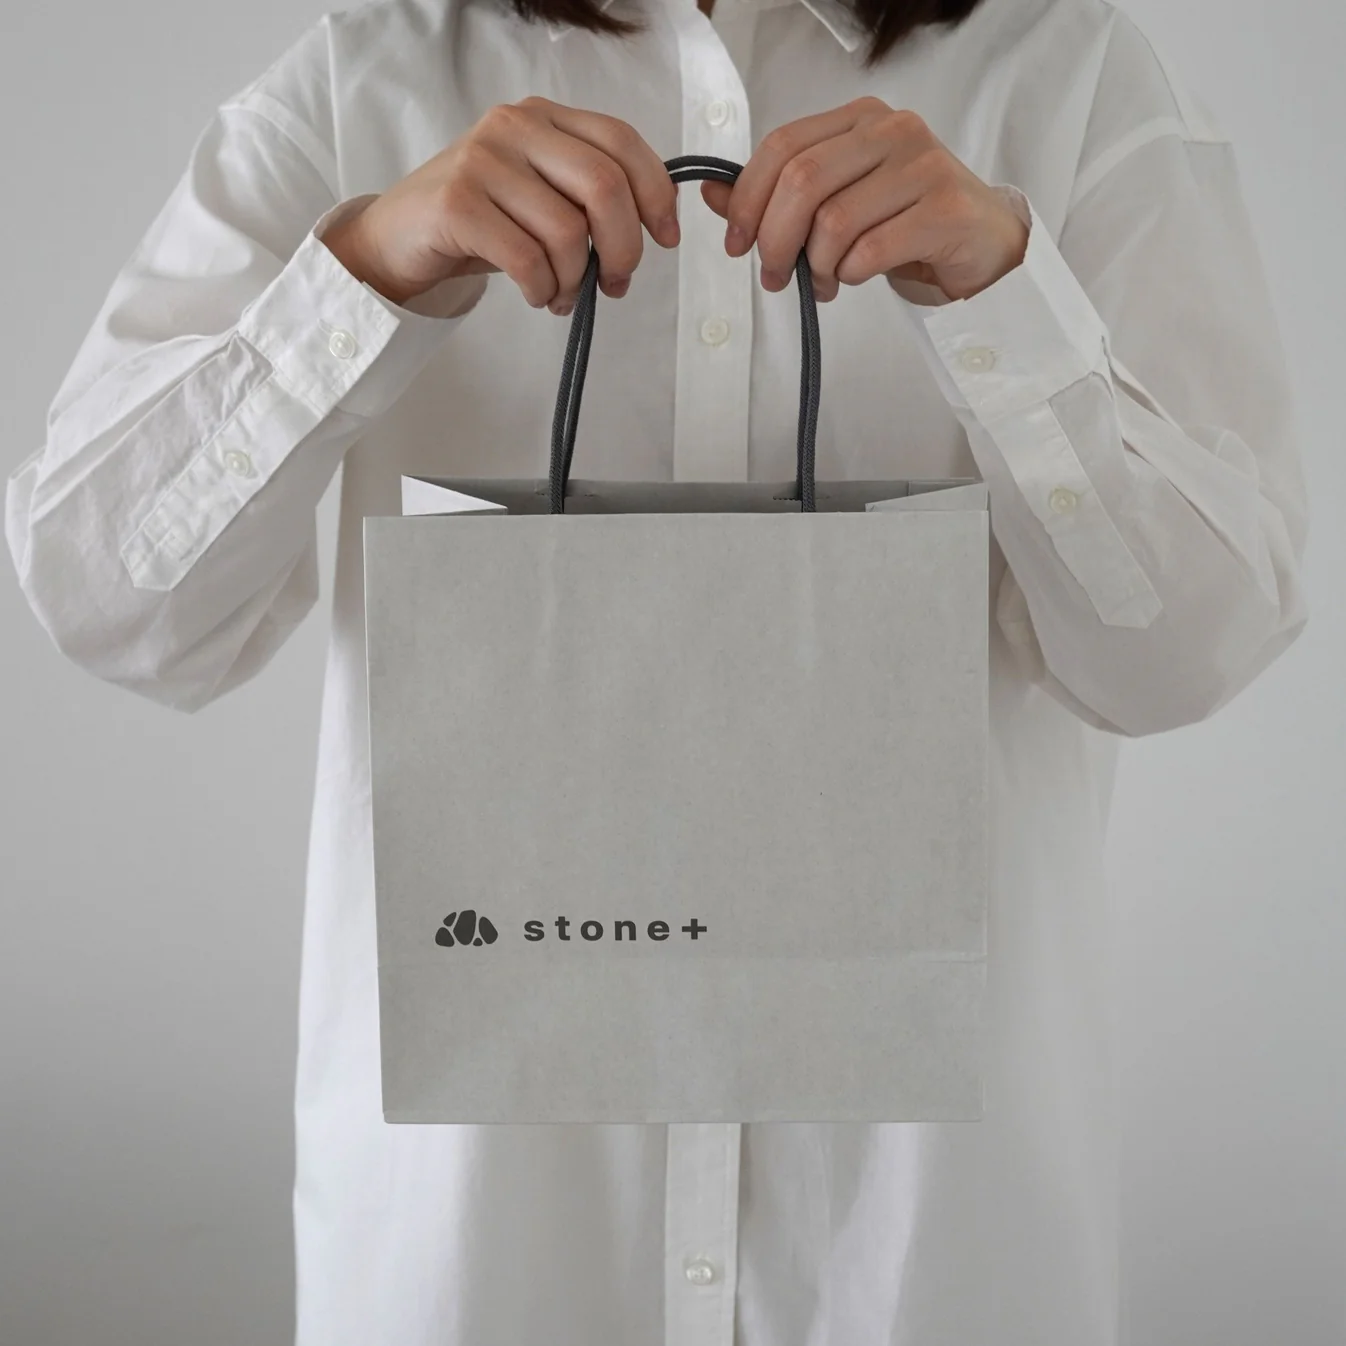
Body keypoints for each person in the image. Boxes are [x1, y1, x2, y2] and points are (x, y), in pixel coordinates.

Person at [4, 0, 1309, 1340]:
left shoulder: (1074, 78)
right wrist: (362, 276)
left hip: (920, 1260)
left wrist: (1007, 303)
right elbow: (105, 599)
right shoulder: (363, 80)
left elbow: (1186, 656)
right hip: (482, 1257)